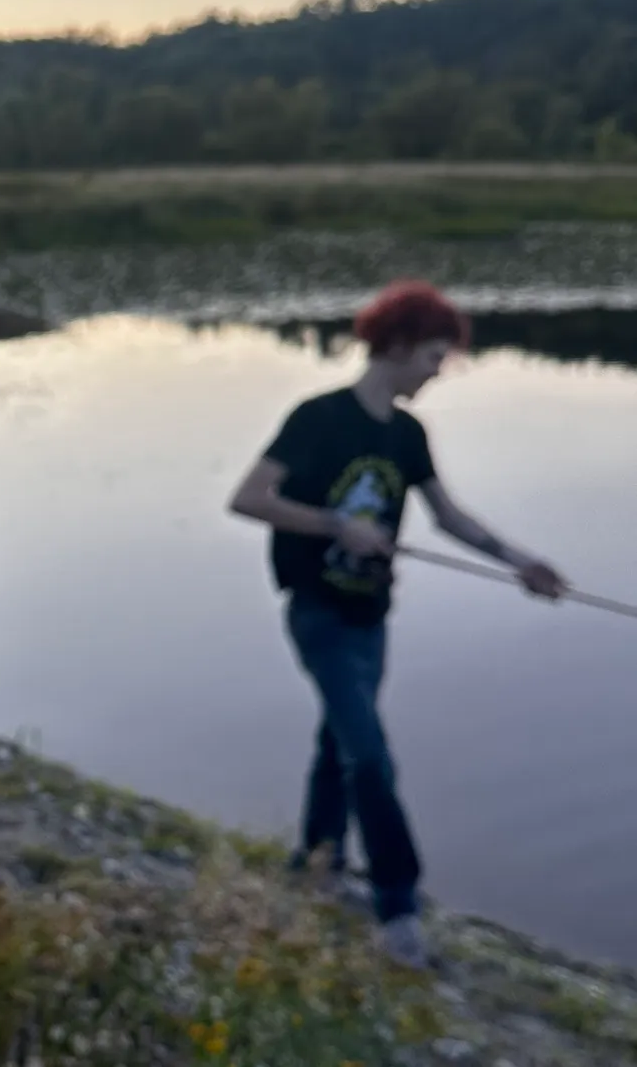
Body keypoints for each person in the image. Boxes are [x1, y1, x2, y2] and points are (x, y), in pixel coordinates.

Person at [227, 279, 567, 971]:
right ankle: (398, 908)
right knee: (371, 758)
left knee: (341, 746)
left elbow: (448, 516)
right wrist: (333, 525)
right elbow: (248, 498)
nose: (443, 369)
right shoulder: (319, 418)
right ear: (403, 344)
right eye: (438, 355)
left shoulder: (408, 434)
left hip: (371, 618)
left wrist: (520, 562)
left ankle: (315, 867)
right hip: (317, 613)